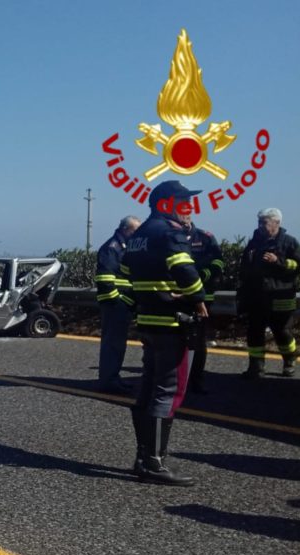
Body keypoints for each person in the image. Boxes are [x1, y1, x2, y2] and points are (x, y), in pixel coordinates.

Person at [121, 180, 206, 486]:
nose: (189, 208)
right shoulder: (170, 232)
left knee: (148, 387)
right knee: (170, 390)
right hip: (172, 321)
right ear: (166, 204)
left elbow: (128, 272)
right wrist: (198, 299)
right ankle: (154, 463)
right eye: (184, 202)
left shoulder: (139, 235)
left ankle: (144, 456)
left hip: (148, 319)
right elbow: (184, 269)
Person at [237, 207, 300, 378]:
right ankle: (256, 367)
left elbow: (298, 265)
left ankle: (289, 361)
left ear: (277, 223)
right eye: (259, 222)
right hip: (256, 296)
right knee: (254, 331)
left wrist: (279, 261)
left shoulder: (289, 242)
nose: (260, 226)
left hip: (280, 297)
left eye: (264, 222)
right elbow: (245, 266)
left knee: (281, 332)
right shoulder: (254, 242)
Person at [177, 213, 223, 393]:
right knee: (176, 340)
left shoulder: (206, 237)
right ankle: (178, 380)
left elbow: (218, 262)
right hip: (177, 296)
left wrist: (204, 275)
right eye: (181, 214)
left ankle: (196, 380)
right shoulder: (170, 236)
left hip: (203, 297)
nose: (184, 218)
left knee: (198, 342)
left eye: (187, 214)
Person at [95, 215, 141, 393]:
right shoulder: (112, 247)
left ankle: (113, 377)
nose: (138, 234)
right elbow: (104, 278)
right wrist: (118, 301)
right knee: (112, 344)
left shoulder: (125, 247)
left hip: (123, 302)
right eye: (135, 230)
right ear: (125, 229)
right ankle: (108, 381)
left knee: (118, 344)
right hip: (115, 303)